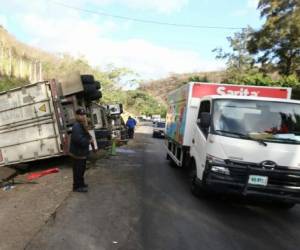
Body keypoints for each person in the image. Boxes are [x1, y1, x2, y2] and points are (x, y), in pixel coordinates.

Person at [69, 108, 93, 193]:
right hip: (77, 154)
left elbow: (85, 135)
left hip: (81, 153)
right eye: (80, 115)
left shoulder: (81, 124)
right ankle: (77, 187)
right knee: (78, 171)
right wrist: (88, 141)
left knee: (81, 170)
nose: (82, 116)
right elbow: (78, 139)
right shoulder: (76, 126)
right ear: (76, 116)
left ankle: (81, 184)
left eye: (83, 115)